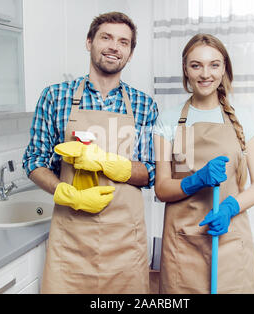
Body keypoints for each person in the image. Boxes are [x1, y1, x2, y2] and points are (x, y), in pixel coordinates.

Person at [22, 12, 158, 294]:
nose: (114, 46)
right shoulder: (55, 96)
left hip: (125, 242)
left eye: (123, 42)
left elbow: (150, 171)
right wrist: (65, 192)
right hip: (71, 239)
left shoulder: (144, 104)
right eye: (106, 37)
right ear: (89, 42)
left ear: (130, 54)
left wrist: (110, 163)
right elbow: (34, 161)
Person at [153, 34, 254, 293]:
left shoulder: (242, 119)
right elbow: (161, 188)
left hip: (229, 238)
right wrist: (197, 180)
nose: (205, 74)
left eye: (214, 65)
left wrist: (229, 207)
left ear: (224, 68)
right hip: (182, 245)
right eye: (196, 65)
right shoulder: (168, 120)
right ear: (186, 69)